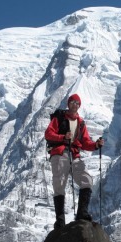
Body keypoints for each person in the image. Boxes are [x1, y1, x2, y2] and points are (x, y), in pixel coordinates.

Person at [45, 93, 104, 229]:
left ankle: (81, 213)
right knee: (59, 185)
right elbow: (48, 134)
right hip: (60, 153)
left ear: (79, 106)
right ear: (68, 103)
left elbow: (85, 142)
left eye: (77, 103)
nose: (75, 105)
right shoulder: (59, 118)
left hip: (74, 155)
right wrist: (63, 137)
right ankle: (60, 220)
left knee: (86, 180)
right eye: (72, 102)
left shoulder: (80, 122)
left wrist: (95, 145)